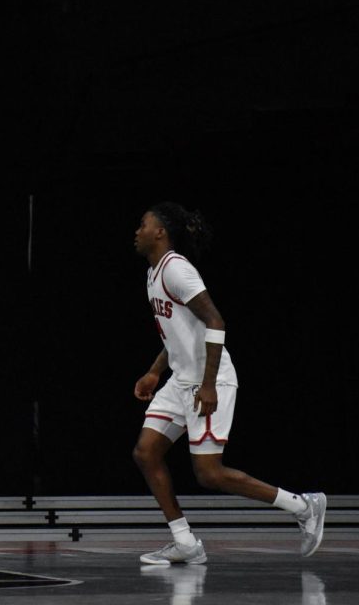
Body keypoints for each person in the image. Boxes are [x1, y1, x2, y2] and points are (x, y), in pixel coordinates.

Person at [131, 202, 326, 565]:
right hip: (180, 381)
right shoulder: (152, 273)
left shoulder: (176, 270)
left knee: (209, 473)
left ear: (160, 232)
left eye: (143, 224)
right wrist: (156, 370)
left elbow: (215, 322)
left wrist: (207, 385)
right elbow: (178, 333)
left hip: (212, 380)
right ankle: (185, 542)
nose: (137, 230)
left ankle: (303, 505)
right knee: (146, 452)